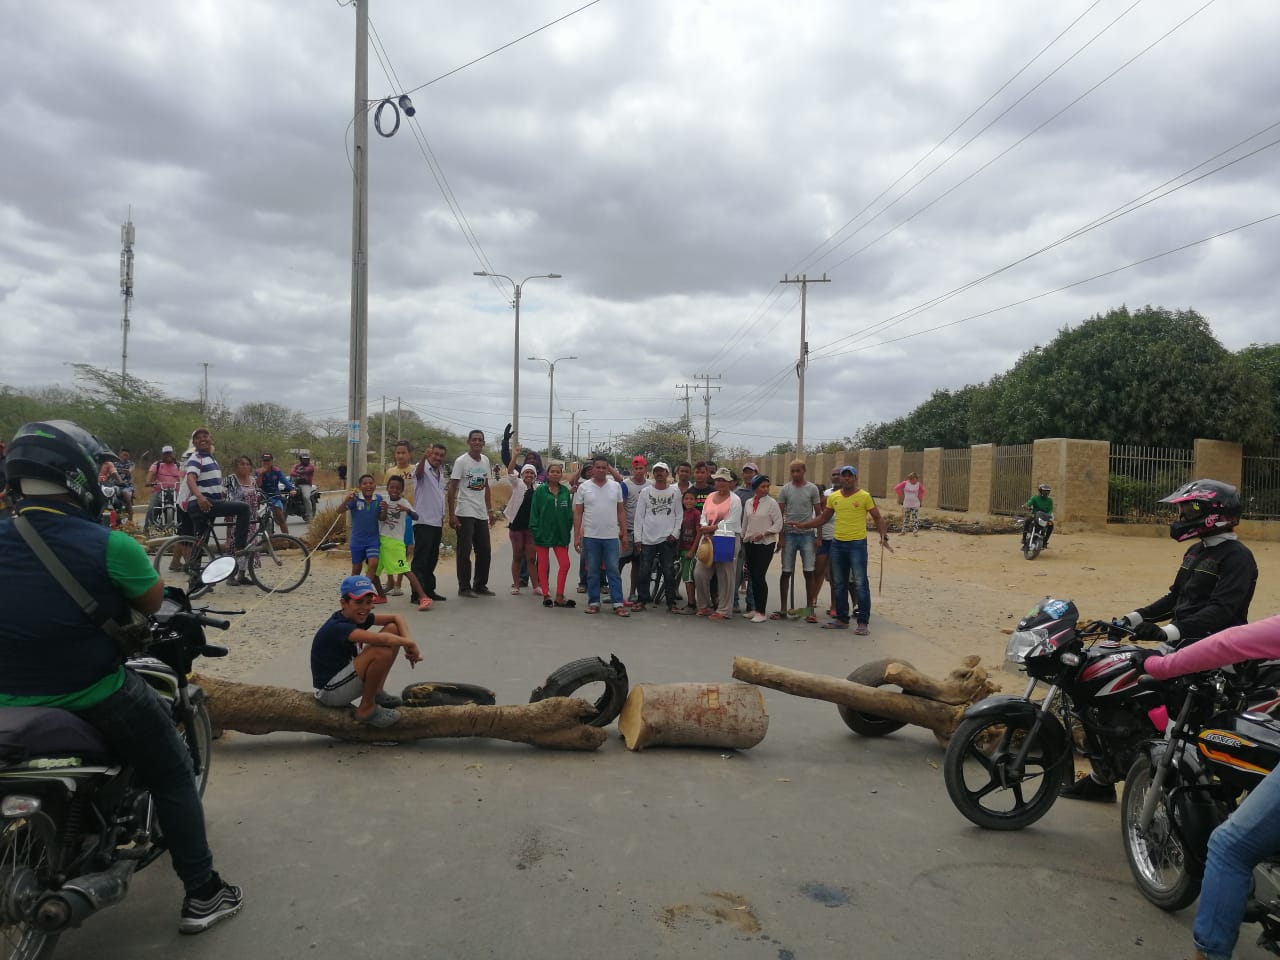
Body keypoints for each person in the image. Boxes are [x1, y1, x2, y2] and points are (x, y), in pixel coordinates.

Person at [0, 420, 243, 933]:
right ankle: (203, 893)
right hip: (90, 692)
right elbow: (154, 604)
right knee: (173, 770)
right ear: (80, 478)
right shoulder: (111, 545)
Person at [1063, 477, 1259, 803]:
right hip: (1181, 646)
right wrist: (1132, 619)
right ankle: (1103, 776)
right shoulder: (1198, 551)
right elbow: (1173, 599)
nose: (1181, 517)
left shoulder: (1237, 558)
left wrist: (1169, 632)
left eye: (1188, 510)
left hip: (1215, 655)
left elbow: (1222, 611)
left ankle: (1172, 763)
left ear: (1214, 514)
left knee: (1149, 686)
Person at [1133, 613, 1280, 960]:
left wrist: (1158, 664)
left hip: (1190, 645)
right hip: (1185, 634)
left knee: (1230, 846)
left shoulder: (1234, 558)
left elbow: (1228, 639)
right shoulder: (1199, 555)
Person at [310, 574, 421, 729]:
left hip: (344, 679)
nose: (364, 607)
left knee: (393, 629)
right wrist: (410, 643)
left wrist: (408, 644)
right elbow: (382, 640)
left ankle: (377, 692)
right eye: (358, 602)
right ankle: (366, 709)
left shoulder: (355, 616)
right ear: (344, 603)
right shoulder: (338, 627)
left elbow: (397, 617)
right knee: (381, 651)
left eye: (369, 602)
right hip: (330, 692)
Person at [790, 465, 890, 634]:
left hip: (857, 544)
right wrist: (804, 525)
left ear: (855, 478)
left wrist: (883, 536)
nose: (846, 478)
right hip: (838, 544)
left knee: (860, 583)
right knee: (839, 583)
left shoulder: (864, 496)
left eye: (849, 476)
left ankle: (863, 622)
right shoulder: (834, 497)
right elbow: (823, 517)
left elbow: (877, 517)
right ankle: (841, 619)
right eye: (844, 476)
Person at [183, 427, 252, 580]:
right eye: (198, 437)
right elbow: (190, 479)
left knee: (201, 541)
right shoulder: (197, 458)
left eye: (205, 435)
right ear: (194, 442)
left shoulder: (212, 459)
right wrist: (200, 497)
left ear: (211, 439)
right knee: (244, 509)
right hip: (204, 503)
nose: (203, 438)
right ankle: (240, 546)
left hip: (208, 503)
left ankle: (194, 581)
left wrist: (220, 492)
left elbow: (211, 483)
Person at [573, 455, 629, 617]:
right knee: (592, 571)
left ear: (607, 469)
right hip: (590, 536)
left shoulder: (615, 487)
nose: (601, 470)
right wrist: (577, 535)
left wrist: (623, 533)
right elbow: (578, 512)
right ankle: (594, 602)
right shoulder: (584, 487)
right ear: (593, 469)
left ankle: (618, 603)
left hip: (611, 537)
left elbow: (620, 511)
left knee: (613, 570)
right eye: (598, 467)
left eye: (604, 467)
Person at [447, 429, 495, 598]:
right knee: (464, 550)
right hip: (465, 511)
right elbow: (452, 488)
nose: (477, 442)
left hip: (481, 512)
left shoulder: (485, 461)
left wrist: (490, 510)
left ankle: (480, 584)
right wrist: (452, 514)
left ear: (483, 443)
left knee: (484, 550)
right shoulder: (461, 461)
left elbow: (486, 486)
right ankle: (464, 587)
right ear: (469, 442)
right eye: (474, 439)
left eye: (480, 440)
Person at [694, 467, 744, 620]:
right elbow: (704, 515)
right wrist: (705, 527)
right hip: (708, 538)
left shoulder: (735, 500)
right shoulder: (710, 496)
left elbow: (732, 522)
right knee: (700, 573)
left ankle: (723, 610)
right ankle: (704, 605)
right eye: (718, 480)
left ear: (730, 482)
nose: (720, 483)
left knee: (725, 576)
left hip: (726, 538)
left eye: (723, 480)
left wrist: (713, 528)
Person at [776, 459, 822, 623]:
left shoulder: (812, 489)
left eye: (798, 471)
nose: (795, 474)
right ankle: (783, 608)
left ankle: (809, 610)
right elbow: (779, 515)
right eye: (792, 471)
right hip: (789, 534)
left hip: (807, 534)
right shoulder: (785, 490)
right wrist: (780, 537)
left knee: (809, 571)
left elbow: (819, 514)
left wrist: (819, 536)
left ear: (804, 471)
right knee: (786, 571)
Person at [633, 461, 682, 612]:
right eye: (656, 471)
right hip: (648, 539)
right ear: (652, 474)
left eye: (662, 471)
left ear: (668, 474)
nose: (659, 474)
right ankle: (642, 599)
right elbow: (639, 516)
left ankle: (671, 602)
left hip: (667, 539)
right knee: (644, 570)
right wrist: (638, 538)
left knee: (668, 571)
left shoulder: (675, 492)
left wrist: (675, 534)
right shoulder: (646, 492)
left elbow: (679, 515)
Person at [377, 475, 428, 610]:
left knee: (405, 569)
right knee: (374, 570)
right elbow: (381, 519)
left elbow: (416, 516)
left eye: (397, 488)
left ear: (402, 490)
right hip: (382, 541)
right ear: (387, 488)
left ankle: (423, 597)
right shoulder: (384, 500)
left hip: (396, 543)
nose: (394, 490)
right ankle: (380, 595)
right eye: (392, 487)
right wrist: (384, 509)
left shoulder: (404, 502)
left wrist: (407, 510)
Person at [530, 460, 575, 608]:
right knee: (543, 564)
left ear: (561, 475)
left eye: (558, 472)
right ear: (547, 474)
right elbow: (534, 513)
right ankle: (546, 595)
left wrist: (568, 530)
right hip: (542, 533)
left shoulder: (564, 492)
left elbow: (569, 514)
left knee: (565, 564)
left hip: (560, 535)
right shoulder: (540, 491)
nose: (555, 474)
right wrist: (535, 530)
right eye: (552, 472)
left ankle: (560, 596)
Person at [740, 474, 783, 623]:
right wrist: (742, 538)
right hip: (750, 543)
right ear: (755, 488)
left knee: (759, 576)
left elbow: (778, 524)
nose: (765, 489)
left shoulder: (772, 503)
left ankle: (761, 612)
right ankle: (755, 609)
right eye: (762, 486)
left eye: (767, 486)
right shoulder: (749, 503)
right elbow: (745, 523)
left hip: (766, 544)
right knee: (752, 576)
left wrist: (764, 533)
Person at [411, 442, 449, 603]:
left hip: (436, 522)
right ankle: (417, 594)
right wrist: (422, 458)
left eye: (441, 455)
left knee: (432, 558)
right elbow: (418, 475)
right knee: (420, 559)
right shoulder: (422, 468)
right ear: (429, 454)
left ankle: (429, 590)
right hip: (423, 521)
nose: (437, 458)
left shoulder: (440, 472)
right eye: (435, 454)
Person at [345, 473, 388, 604]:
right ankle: (349, 596)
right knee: (356, 570)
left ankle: (364, 592)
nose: (368, 485)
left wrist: (384, 510)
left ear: (375, 485)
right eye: (365, 483)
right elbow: (339, 511)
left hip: (372, 540)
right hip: (357, 541)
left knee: (373, 564)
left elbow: (382, 518)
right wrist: (346, 500)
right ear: (359, 487)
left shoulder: (379, 499)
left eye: (371, 483)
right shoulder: (355, 499)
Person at [383, 440, 417, 597]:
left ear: (409, 454)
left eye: (404, 452)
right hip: (391, 517)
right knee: (388, 549)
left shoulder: (415, 470)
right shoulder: (390, 472)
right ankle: (389, 580)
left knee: (404, 549)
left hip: (407, 515)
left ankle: (398, 583)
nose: (401, 455)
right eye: (398, 452)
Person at [504, 449, 539, 595]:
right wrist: (515, 456)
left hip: (531, 528)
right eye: (527, 473)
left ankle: (536, 586)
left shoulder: (538, 489)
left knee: (531, 558)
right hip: (517, 526)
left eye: (532, 473)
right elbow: (510, 470)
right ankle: (516, 585)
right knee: (517, 556)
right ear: (523, 474)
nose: (529, 475)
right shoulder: (517, 484)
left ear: (535, 476)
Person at [223, 457, 263, 582]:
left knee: (249, 546)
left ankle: (242, 574)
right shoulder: (230, 480)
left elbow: (256, 496)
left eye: (247, 464)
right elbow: (222, 495)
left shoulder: (252, 480)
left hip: (251, 519)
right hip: (235, 519)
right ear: (236, 466)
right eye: (242, 464)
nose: (245, 466)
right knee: (234, 546)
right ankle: (230, 575)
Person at [621, 455, 650, 603]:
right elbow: (621, 507)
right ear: (632, 469)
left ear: (646, 469)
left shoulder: (650, 486)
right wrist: (622, 529)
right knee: (618, 562)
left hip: (644, 532)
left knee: (637, 563)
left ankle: (633, 592)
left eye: (641, 468)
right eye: (636, 468)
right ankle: (615, 592)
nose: (639, 471)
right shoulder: (625, 485)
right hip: (627, 529)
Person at [732, 462, 759, 613]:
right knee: (737, 570)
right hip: (741, 536)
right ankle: (734, 600)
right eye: (746, 472)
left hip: (757, 538)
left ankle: (751, 602)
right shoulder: (737, 493)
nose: (749, 475)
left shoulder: (761, 492)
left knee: (754, 571)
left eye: (752, 472)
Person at [145, 444, 183, 531]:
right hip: (159, 491)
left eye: (170, 453)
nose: (168, 456)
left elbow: (184, 477)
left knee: (182, 509)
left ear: (173, 454)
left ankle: (184, 531)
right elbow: (150, 475)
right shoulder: (157, 464)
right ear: (162, 455)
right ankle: (147, 530)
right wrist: (148, 482)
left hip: (175, 492)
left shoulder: (178, 465)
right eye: (166, 454)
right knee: (152, 508)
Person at [675, 488, 701, 612]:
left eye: (691, 499)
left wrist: (692, 550)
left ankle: (691, 604)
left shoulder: (696, 514)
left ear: (696, 501)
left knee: (688, 576)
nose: (688, 501)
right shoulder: (682, 513)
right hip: (682, 550)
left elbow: (699, 533)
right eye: (686, 498)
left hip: (691, 551)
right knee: (686, 576)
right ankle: (692, 602)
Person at [256, 452, 294, 534]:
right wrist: (260, 474)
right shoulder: (258, 471)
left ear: (272, 461)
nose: (266, 463)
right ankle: (254, 517)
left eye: (268, 461)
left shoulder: (277, 471)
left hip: (274, 495)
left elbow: (284, 480)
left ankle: (287, 537)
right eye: (264, 461)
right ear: (261, 462)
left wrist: (291, 489)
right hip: (262, 494)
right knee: (255, 499)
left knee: (280, 516)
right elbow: (258, 485)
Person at [1022, 482, 1055, 550]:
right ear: (1040, 491)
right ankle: (1024, 539)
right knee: (1027, 521)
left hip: (1045, 517)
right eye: (1044, 491)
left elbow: (1050, 509)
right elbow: (1029, 502)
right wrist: (1026, 506)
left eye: (1047, 491)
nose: (1046, 492)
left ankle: (1045, 542)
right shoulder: (1035, 498)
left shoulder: (1049, 500)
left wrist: (1049, 516)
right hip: (1035, 515)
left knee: (1051, 525)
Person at [290, 450, 316, 521]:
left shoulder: (311, 466)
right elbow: (292, 472)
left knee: (306, 497)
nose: (305, 460)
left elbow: (306, 470)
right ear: (300, 459)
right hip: (295, 484)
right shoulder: (296, 465)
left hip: (306, 484)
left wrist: (297, 472)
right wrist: (298, 474)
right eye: (304, 459)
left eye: (307, 459)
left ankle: (310, 516)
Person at [115, 446, 136, 513]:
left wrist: (129, 471)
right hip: (115, 485)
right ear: (120, 454)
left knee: (127, 497)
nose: (125, 457)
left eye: (127, 455)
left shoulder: (130, 463)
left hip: (127, 485)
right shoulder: (114, 463)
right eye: (124, 455)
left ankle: (130, 520)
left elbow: (132, 468)